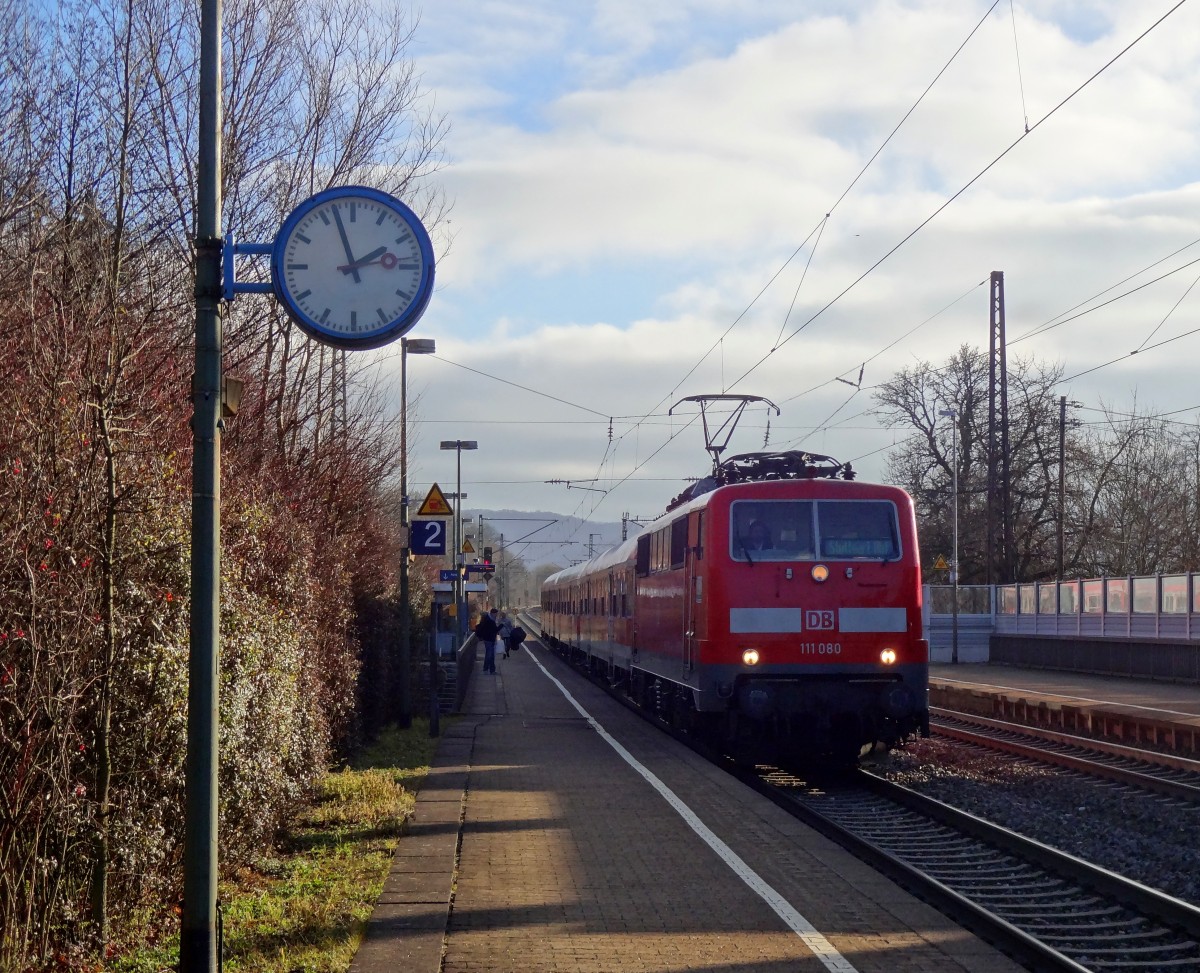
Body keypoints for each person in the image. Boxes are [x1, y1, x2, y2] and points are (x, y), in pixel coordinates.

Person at [475, 607, 500, 674]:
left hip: (489, 639)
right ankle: (487, 669)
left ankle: (490, 669)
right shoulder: (490, 621)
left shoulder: (488, 619)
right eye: (496, 614)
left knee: (490, 655)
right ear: (493, 613)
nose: (496, 615)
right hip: (489, 639)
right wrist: (502, 625)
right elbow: (495, 630)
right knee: (490, 655)